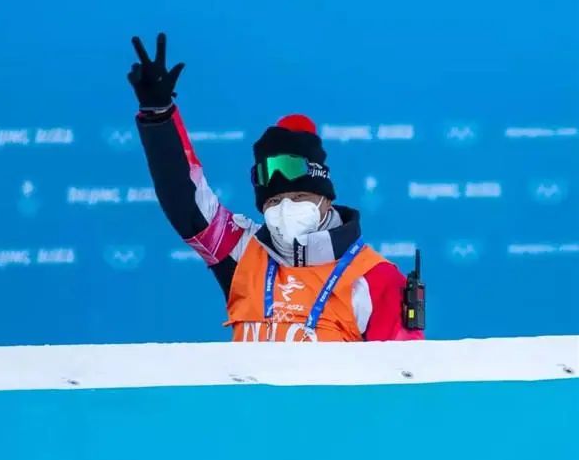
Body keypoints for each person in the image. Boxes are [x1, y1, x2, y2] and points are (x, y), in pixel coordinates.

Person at [128, 33, 425, 343]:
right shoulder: (243, 252)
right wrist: (159, 117)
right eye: (274, 201)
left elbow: (401, 372)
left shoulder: (375, 277)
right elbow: (184, 200)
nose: (286, 208)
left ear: (325, 198)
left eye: (299, 197)